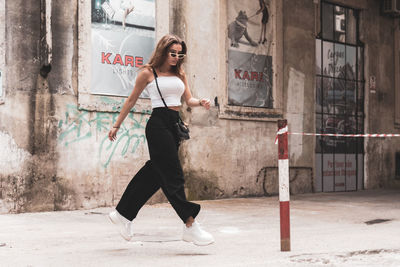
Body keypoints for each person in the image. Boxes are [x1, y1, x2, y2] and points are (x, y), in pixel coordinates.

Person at [107, 34, 215, 246]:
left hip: (174, 125)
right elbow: (131, 100)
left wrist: (201, 102)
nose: (175, 57)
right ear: (163, 51)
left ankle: (123, 214)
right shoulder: (148, 73)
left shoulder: (180, 74)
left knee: (155, 173)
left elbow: (188, 100)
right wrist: (116, 125)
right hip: (157, 125)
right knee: (173, 174)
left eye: (178, 53)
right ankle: (190, 224)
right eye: (172, 53)